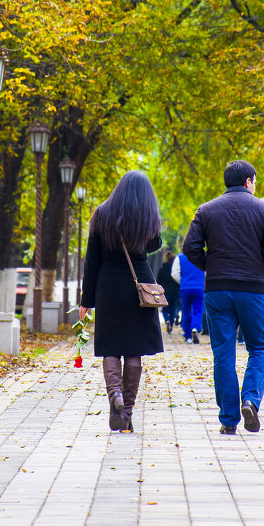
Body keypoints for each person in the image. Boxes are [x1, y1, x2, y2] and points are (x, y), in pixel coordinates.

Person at [183, 160, 264, 435]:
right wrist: (262, 271)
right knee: (259, 348)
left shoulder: (206, 210)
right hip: (253, 290)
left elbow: (190, 247)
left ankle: (228, 419)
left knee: (223, 353)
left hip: (217, 290)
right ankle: (250, 399)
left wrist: (210, 266)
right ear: (249, 181)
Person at [79, 170, 164, 432]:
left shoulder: (102, 214)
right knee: (134, 350)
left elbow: (91, 260)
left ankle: (114, 394)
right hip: (139, 287)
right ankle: (126, 412)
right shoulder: (147, 215)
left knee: (111, 348)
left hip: (108, 288)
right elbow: (154, 245)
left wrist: (87, 300)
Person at [171, 251, 205, 343]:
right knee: (198, 310)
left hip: (185, 288)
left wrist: (182, 282)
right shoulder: (202, 256)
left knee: (186, 310)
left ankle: (188, 335)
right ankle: (195, 328)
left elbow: (174, 273)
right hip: (199, 287)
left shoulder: (180, 257)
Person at [156, 250, 181, 333]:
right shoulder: (176, 269)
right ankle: (171, 326)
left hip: (165, 292)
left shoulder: (161, 270)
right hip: (175, 292)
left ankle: (167, 320)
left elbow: (158, 282)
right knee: (173, 309)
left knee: (165, 309)